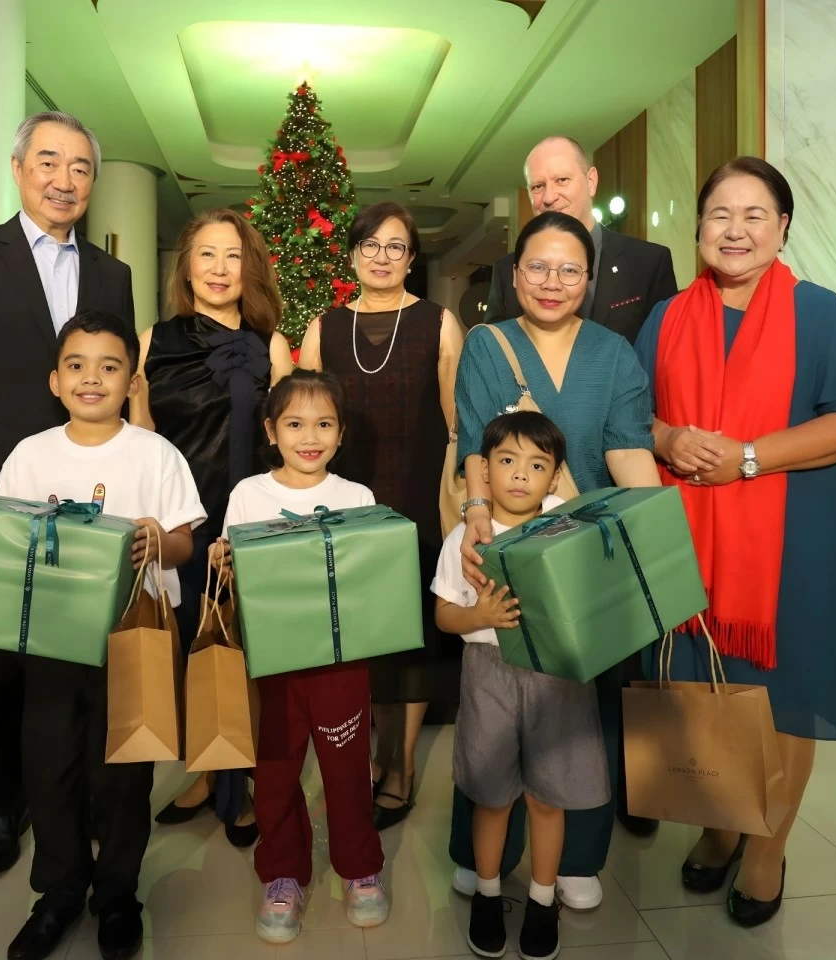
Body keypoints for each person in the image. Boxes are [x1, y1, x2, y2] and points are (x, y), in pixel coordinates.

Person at [633, 156, 836, 927]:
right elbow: (633, 414)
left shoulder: (824, 315)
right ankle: (718, 822)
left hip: (791, 545)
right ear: (700, 227)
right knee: (705, 695)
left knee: (781, 706)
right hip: (686, 544)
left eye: (754, 214)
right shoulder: (666, 318)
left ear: (782, 228)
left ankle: (767, 850)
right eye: (720, 213)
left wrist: (748, 456)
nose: (735, 229)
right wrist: (672, 437)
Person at [0, 111, 134, 880]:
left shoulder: (113, 276)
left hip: (94, 493)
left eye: (79, 167)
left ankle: (89, 800)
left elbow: (122, 390)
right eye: (48, 162)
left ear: (92, 181)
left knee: (85, 650)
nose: (63, 179)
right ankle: (2, 808)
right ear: (18, 169)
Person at [453, 210, 661, 911]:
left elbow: (629, 447)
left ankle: (576, 856)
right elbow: (476, 442)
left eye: (570, 268)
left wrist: (661, 540)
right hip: (513, 543)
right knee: (493, 701)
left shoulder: (613, 352)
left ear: (590, 278)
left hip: (590, 549)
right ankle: (479, 855)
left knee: (584, 706)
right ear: (514, 275)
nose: (552, 281)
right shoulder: (490, 343)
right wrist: (477, 512)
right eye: (537, 266)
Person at [0, 310, 206, 960]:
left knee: (123, 778)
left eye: (110, 367)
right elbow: (6, 545)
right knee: (50, 768)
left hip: (133, 637)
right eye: (78, 366)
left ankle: (117, 895)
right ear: (55, 380)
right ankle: (57, 894)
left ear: (130, 380)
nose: (93, 379)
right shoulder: (30, 456)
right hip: (54, 643)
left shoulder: (156, 453)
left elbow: (184, 543)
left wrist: (155, 540)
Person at [298, 201, 465, 830]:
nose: (383, 257)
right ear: (352, 255)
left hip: (419, 495)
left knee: (414, 633)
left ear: (412, 259)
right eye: (371, 245)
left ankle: (402, 768)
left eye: (396, 247)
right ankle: (373, 755)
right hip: (346, 500)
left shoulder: (438, 322)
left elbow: (455, 421)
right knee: (360, 631)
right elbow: (306, 419)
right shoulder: (325, 327)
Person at [131, 208, 292, 844]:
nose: (220, 269)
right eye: (207, 254)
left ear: (247, 268)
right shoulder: (152, 340)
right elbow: (140, 435)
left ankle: (238, 781)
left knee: (239, 653)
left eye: (233, 256)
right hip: (178, 521)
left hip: (244, 520)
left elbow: (283, 441)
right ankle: (204, 774)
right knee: (188, 652)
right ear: (187, 266)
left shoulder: (271, 343)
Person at [212, 370, 389, 944]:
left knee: (346, 770)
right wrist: (223, 562)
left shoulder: (356, 498)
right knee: (275, 771)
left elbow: (372, 581)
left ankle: (360, 868)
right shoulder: (249, 495)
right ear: (271, 431)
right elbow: (236, 580)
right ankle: (283, 872)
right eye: (294, 423)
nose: (308, 436)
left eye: (323, 424)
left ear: (340, 435)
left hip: (341, 662)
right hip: (272, 662)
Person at [435, 411, 609, 960]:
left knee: (547, 797)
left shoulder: (569, 526)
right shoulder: (466, 536)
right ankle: (488, 895)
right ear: (483, 471)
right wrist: (478, 612)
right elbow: (443, 616)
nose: (519, 475)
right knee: (491, 796)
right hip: (488, 674)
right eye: (506, 461)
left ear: (555, 477)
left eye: (536, 465)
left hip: (556, 675)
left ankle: (540, 899)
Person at [484, 135, 677, 346]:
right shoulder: (507, 270)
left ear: (591, 181)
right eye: (537, 186)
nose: (549, 197)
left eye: (562, 180)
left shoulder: (648, 262)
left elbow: (665, 356)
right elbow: (495, 355)